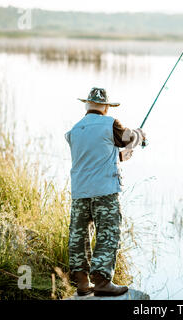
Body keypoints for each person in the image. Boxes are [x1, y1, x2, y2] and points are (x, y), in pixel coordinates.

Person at [64, 87, 146, 296]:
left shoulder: (74, 130)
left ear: (87, 105)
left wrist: (119, 157)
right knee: (108, 233)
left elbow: (92, 156)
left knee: (79, 236)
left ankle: (82, 283)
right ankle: (101, 281)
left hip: (80, 192)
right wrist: (140, 134)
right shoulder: (111, 124)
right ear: (106, 107)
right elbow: (129, 139)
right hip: (105, 192)